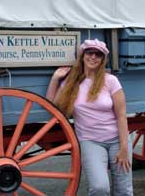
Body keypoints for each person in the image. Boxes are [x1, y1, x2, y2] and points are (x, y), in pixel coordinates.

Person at [46, 38, 133, 196]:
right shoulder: (72, 83)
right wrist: (54, 80)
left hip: (116, 140)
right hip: (90, 141)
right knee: (100, 188)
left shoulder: (111, 81)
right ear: (83, 55)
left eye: (98, 54)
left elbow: (121, 116)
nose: (93, 57)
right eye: (89, 53)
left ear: (102, 60)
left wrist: (124, 148)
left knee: (124, 190)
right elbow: (53, 107)